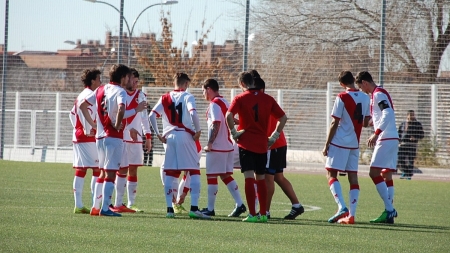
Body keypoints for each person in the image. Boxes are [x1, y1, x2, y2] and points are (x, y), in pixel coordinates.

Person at [80, 64, 146, 217]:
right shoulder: (120, 91)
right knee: (110, 174)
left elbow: (83, 106)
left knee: (102, 173)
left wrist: (93, 124)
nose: (130, 80)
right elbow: (121, 110)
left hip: (100, 137)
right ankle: (105, 209)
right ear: (123, 78)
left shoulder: (100, 89)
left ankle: (95, 207)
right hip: (113, 137)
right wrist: (132, 112)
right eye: (129, 77)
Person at [226, 71, 288, 223]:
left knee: (248, 178)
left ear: (242, 84)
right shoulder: (268, 99)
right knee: (261, 178)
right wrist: (274, 136)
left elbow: (228, 115)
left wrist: (233, 133)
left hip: (246, 143)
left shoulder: (240, 98)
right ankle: (264, 214)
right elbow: (283, 117)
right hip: (262, 144)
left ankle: (252, 214)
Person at [149, 72, 209, 219]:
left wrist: (158, 134)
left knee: (169, 172)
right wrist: (199, 130)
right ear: (186, 84)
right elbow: (193, 112)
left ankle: (170, 209)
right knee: (194, 170)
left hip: (170, 137)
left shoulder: (165, 97)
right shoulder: (187, 96)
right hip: (185, 135)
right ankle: (194, 208)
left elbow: (151, 115)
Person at [249, 70, 304, 220]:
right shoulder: (265, 100)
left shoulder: (263, 101)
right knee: (278, 177)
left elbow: (276, 119)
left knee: (268, 178)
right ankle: (297, 206)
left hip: (272, 145)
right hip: (279, 143)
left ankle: (265, 211)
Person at [322, 71, 371, 224]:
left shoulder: (341, 97)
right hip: (354, 143)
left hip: (339, 142)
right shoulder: (365, 97)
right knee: (353, 177)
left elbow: (334, 123)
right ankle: (352, 215)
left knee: (331, 174)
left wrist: (326, 144)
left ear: (342, 84)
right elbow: (365, 122)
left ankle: (342, 207)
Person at [356, 71, 398, 224]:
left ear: (365, 83)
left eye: (361, 87)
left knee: (373, 172)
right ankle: (389, 214)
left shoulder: (378, 94)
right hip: (392, 137)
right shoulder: (378, 94)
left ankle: (389, 209)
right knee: (386, 174)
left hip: (386, 138)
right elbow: (382, 115)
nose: (362, 90)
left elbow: (388, 114)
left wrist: (376, 133)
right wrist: (372, 122)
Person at [200, 78, 246, 217]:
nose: (203, 94)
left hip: (217, 147)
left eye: (203, 91)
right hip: (227, 146)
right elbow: (233, 119)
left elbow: (216, 123)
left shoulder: (214, 104)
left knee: (211, 176)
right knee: (226, 175)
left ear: (208, 89)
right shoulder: (225, 101)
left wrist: (210, 143)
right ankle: (240, 204)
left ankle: (210, 209)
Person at [110, 68, 152, 213]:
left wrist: (148, 136)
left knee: (133, 170)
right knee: (120, 170)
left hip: (136, 140)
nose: (134, 83)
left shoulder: (141, 96)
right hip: (122, 138)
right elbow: (118, 116)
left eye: (136, 81)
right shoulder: (120, 94)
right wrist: (128, 130)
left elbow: (144, 118)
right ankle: (117, 202)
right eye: (132, 80)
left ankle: (131, 203)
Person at [69, 68, 102, 214]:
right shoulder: (91, 95)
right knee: (97, 169)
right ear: (93, 80)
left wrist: (78, 127)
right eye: (99, 79)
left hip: (78, 136)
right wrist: (89, 127)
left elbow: (71, 114)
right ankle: (95, 203)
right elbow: (84, 110)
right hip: (87, 137)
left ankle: (79, 204)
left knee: (81, 170)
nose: (101, 82)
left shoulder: (81, 94)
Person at [397, 110, 424, 180]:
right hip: (403, 145)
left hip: (412, 145)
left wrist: (415, 138)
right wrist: (398, 141)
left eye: (413, 115)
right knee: (400, 159)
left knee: (410, 160)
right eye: (410, 115)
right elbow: (399, 133)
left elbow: (422, 135)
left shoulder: (417, 124)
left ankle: (408, 175)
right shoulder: (403, 124)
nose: (411, 116)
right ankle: (406, 172)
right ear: (407, 115)